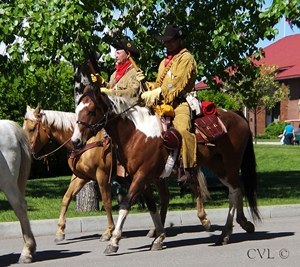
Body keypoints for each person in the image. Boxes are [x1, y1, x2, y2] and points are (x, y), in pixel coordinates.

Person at [137, 25, 198, 186]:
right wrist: (146, 85)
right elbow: (159, 84)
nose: (167, 44)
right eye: (165, 41)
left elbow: (176, 84)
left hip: (180, 102)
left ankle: (188, 169)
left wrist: (157, 93)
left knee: (183, 130)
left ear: (179, 40)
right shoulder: (164, 62)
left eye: (171, 41)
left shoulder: (186, 58)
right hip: (163, 102)